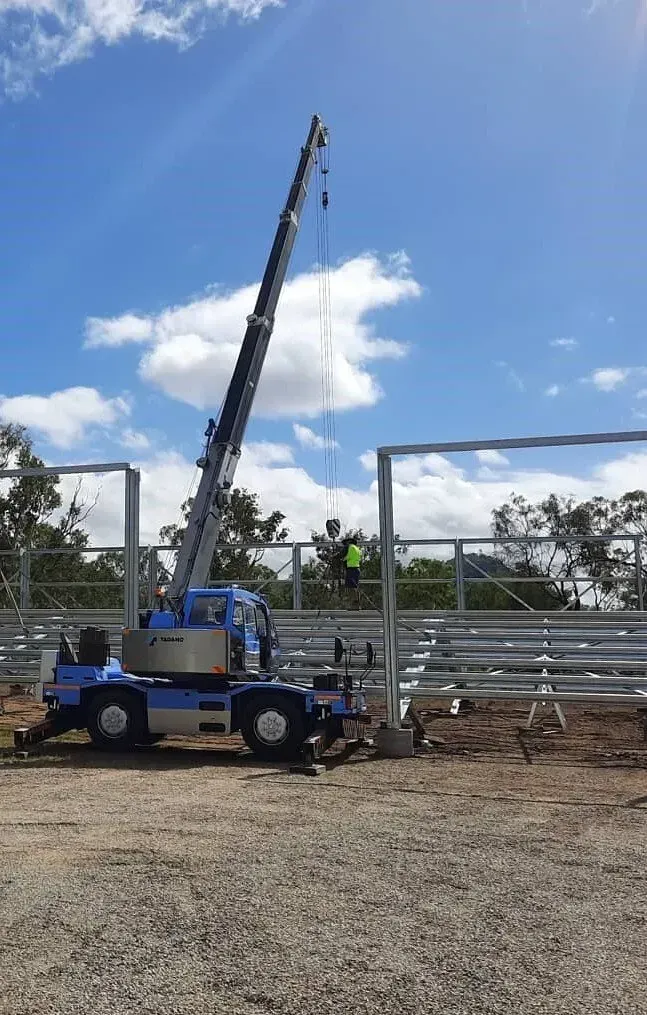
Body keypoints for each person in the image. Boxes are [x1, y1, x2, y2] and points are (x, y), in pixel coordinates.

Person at [342, 536, 362, 607]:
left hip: (351, 569)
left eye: (346, 543)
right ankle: (356, 604)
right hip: (356, 568)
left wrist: (340, 558)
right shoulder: (357, 549)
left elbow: (345, 556)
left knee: (351, 587)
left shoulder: (350, 547)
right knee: (355, 587)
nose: (345, 545)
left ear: (349, 542)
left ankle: (354, 604)